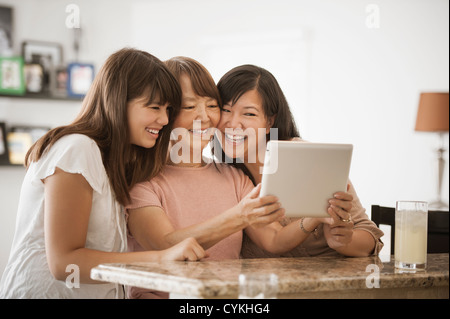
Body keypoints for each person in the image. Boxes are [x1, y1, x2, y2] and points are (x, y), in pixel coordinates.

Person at [125, 56, 350, 299]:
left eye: (212, 106)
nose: (205, 116)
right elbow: (166, 246)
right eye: (189, 107)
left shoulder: (233, 177)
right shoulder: (143, 182)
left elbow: (274, 239)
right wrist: (238, 216)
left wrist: (316, 214)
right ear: (166, 114)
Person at [0, 48, 206, 299]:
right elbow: (65, 264)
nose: (164, 120)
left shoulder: (111, 161)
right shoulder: (77, 149)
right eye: (154, 107)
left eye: (168, 109)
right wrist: (161, 258)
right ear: (119, 101)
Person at [214, 64, 384, 259]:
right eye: (225, 110)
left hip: (332, 279)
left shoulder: (310, 160)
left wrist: (343, 240)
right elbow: (274, 239)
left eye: (249, 113)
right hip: (269, 285)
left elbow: (369, 236)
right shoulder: (223, 177)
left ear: (269, 122)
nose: (234, 124)